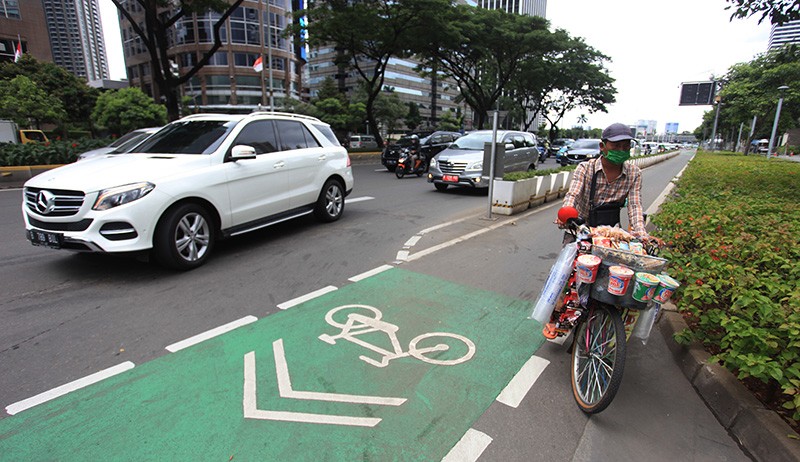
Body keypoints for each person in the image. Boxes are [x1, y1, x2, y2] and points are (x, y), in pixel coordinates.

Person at [560, 122, 651, 243]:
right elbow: (573, 194)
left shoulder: (634, 173)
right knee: (569, 254)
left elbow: (635, 205)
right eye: (616, 146)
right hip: (580, 230)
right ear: (602, 146)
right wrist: (566, 214)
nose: (621, 150)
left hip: (611, 234)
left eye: (625, 146)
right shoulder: (585, 168)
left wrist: (641, 233)